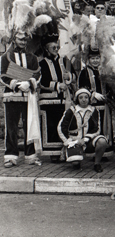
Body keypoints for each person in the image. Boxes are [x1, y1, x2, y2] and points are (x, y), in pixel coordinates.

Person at [1, 30, 42, 167]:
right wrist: (17, 85)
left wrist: (29, 83)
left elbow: (37, 74)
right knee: (11, 127)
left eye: (25, 40)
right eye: (20, 39)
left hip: (28, 96)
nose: (23, 42)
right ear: (14, 39)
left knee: (29, 125)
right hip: (11, 96)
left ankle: (30, 156)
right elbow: (2, 75)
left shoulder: (33, 57)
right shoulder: (6, 57)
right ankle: (11, 156)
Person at [38, 34, 74, 162]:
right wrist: (58, 85)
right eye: (52, 46)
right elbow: (41, 81)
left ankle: (65, 151)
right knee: (51, 126)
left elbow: (73, 75)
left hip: (63, 99)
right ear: (46, 48)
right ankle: (53, 152)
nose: (55, 47)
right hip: (48, 99)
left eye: (56, 45)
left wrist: (68, 76)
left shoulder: (65, 61)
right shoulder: (41, 63)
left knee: (64, 125)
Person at [57, 88, 108, 172]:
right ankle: (76, 159)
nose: (84, 100)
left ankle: (97, 164)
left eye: (86, 97)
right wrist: (70, 141)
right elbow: (61, 128)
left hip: (88, 141)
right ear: (77, 99)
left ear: (89, 99)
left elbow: (97, 128)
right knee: (75, 163)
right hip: (74, 142)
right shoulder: (71, 111)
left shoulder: (94, 111)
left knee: (102, 141)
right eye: (81, 98)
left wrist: (85, 139)